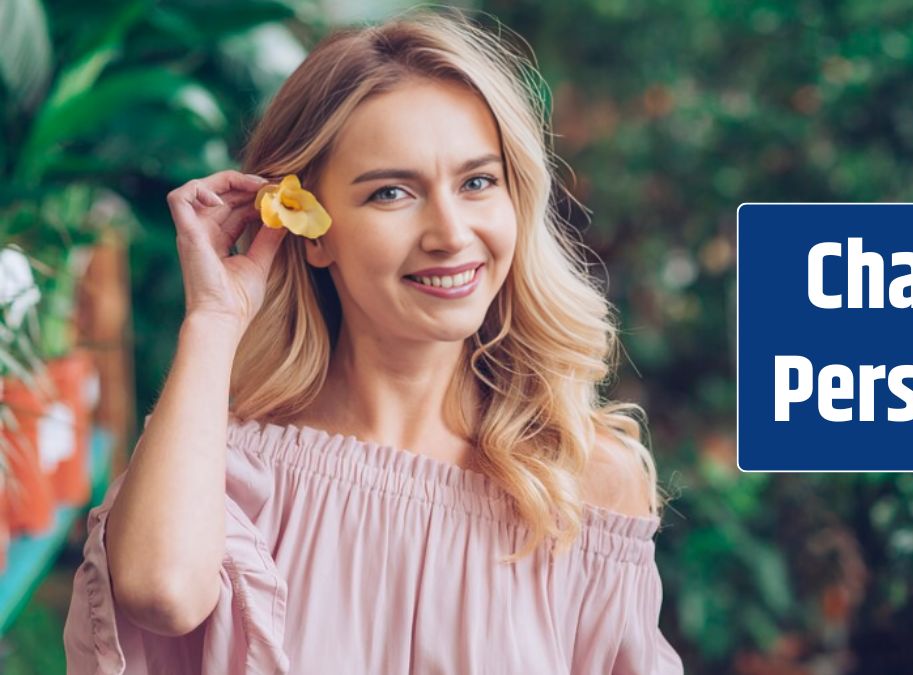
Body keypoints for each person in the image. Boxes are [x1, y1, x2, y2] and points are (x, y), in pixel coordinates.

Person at [63, 8, 683, 674]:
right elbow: (160, 593)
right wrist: (214, 318)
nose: (449, 232)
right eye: (392, 192)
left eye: (477, 182)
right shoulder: (229, 467)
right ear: (314, 228)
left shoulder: (582, 480)